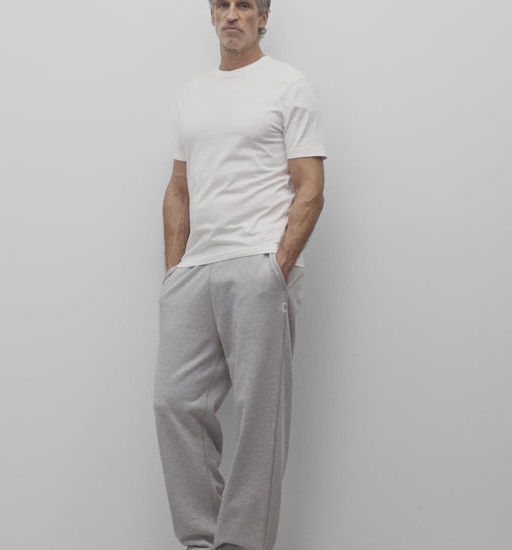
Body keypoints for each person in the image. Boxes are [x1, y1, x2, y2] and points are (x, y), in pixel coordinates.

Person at [153, 1, 327, 549]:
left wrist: (277, 266)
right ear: (211, 17)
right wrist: (174, 272)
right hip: (195, 270)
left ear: (262, 18)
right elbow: (179, 187)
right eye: (222, 5)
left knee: (259, 416)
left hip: (258, 264)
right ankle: (202, 540)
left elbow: (310, 186)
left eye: (244, 5)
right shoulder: (193, 93)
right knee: (175, 403)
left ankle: (243, 544)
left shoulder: (287, 84)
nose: (232, 14)